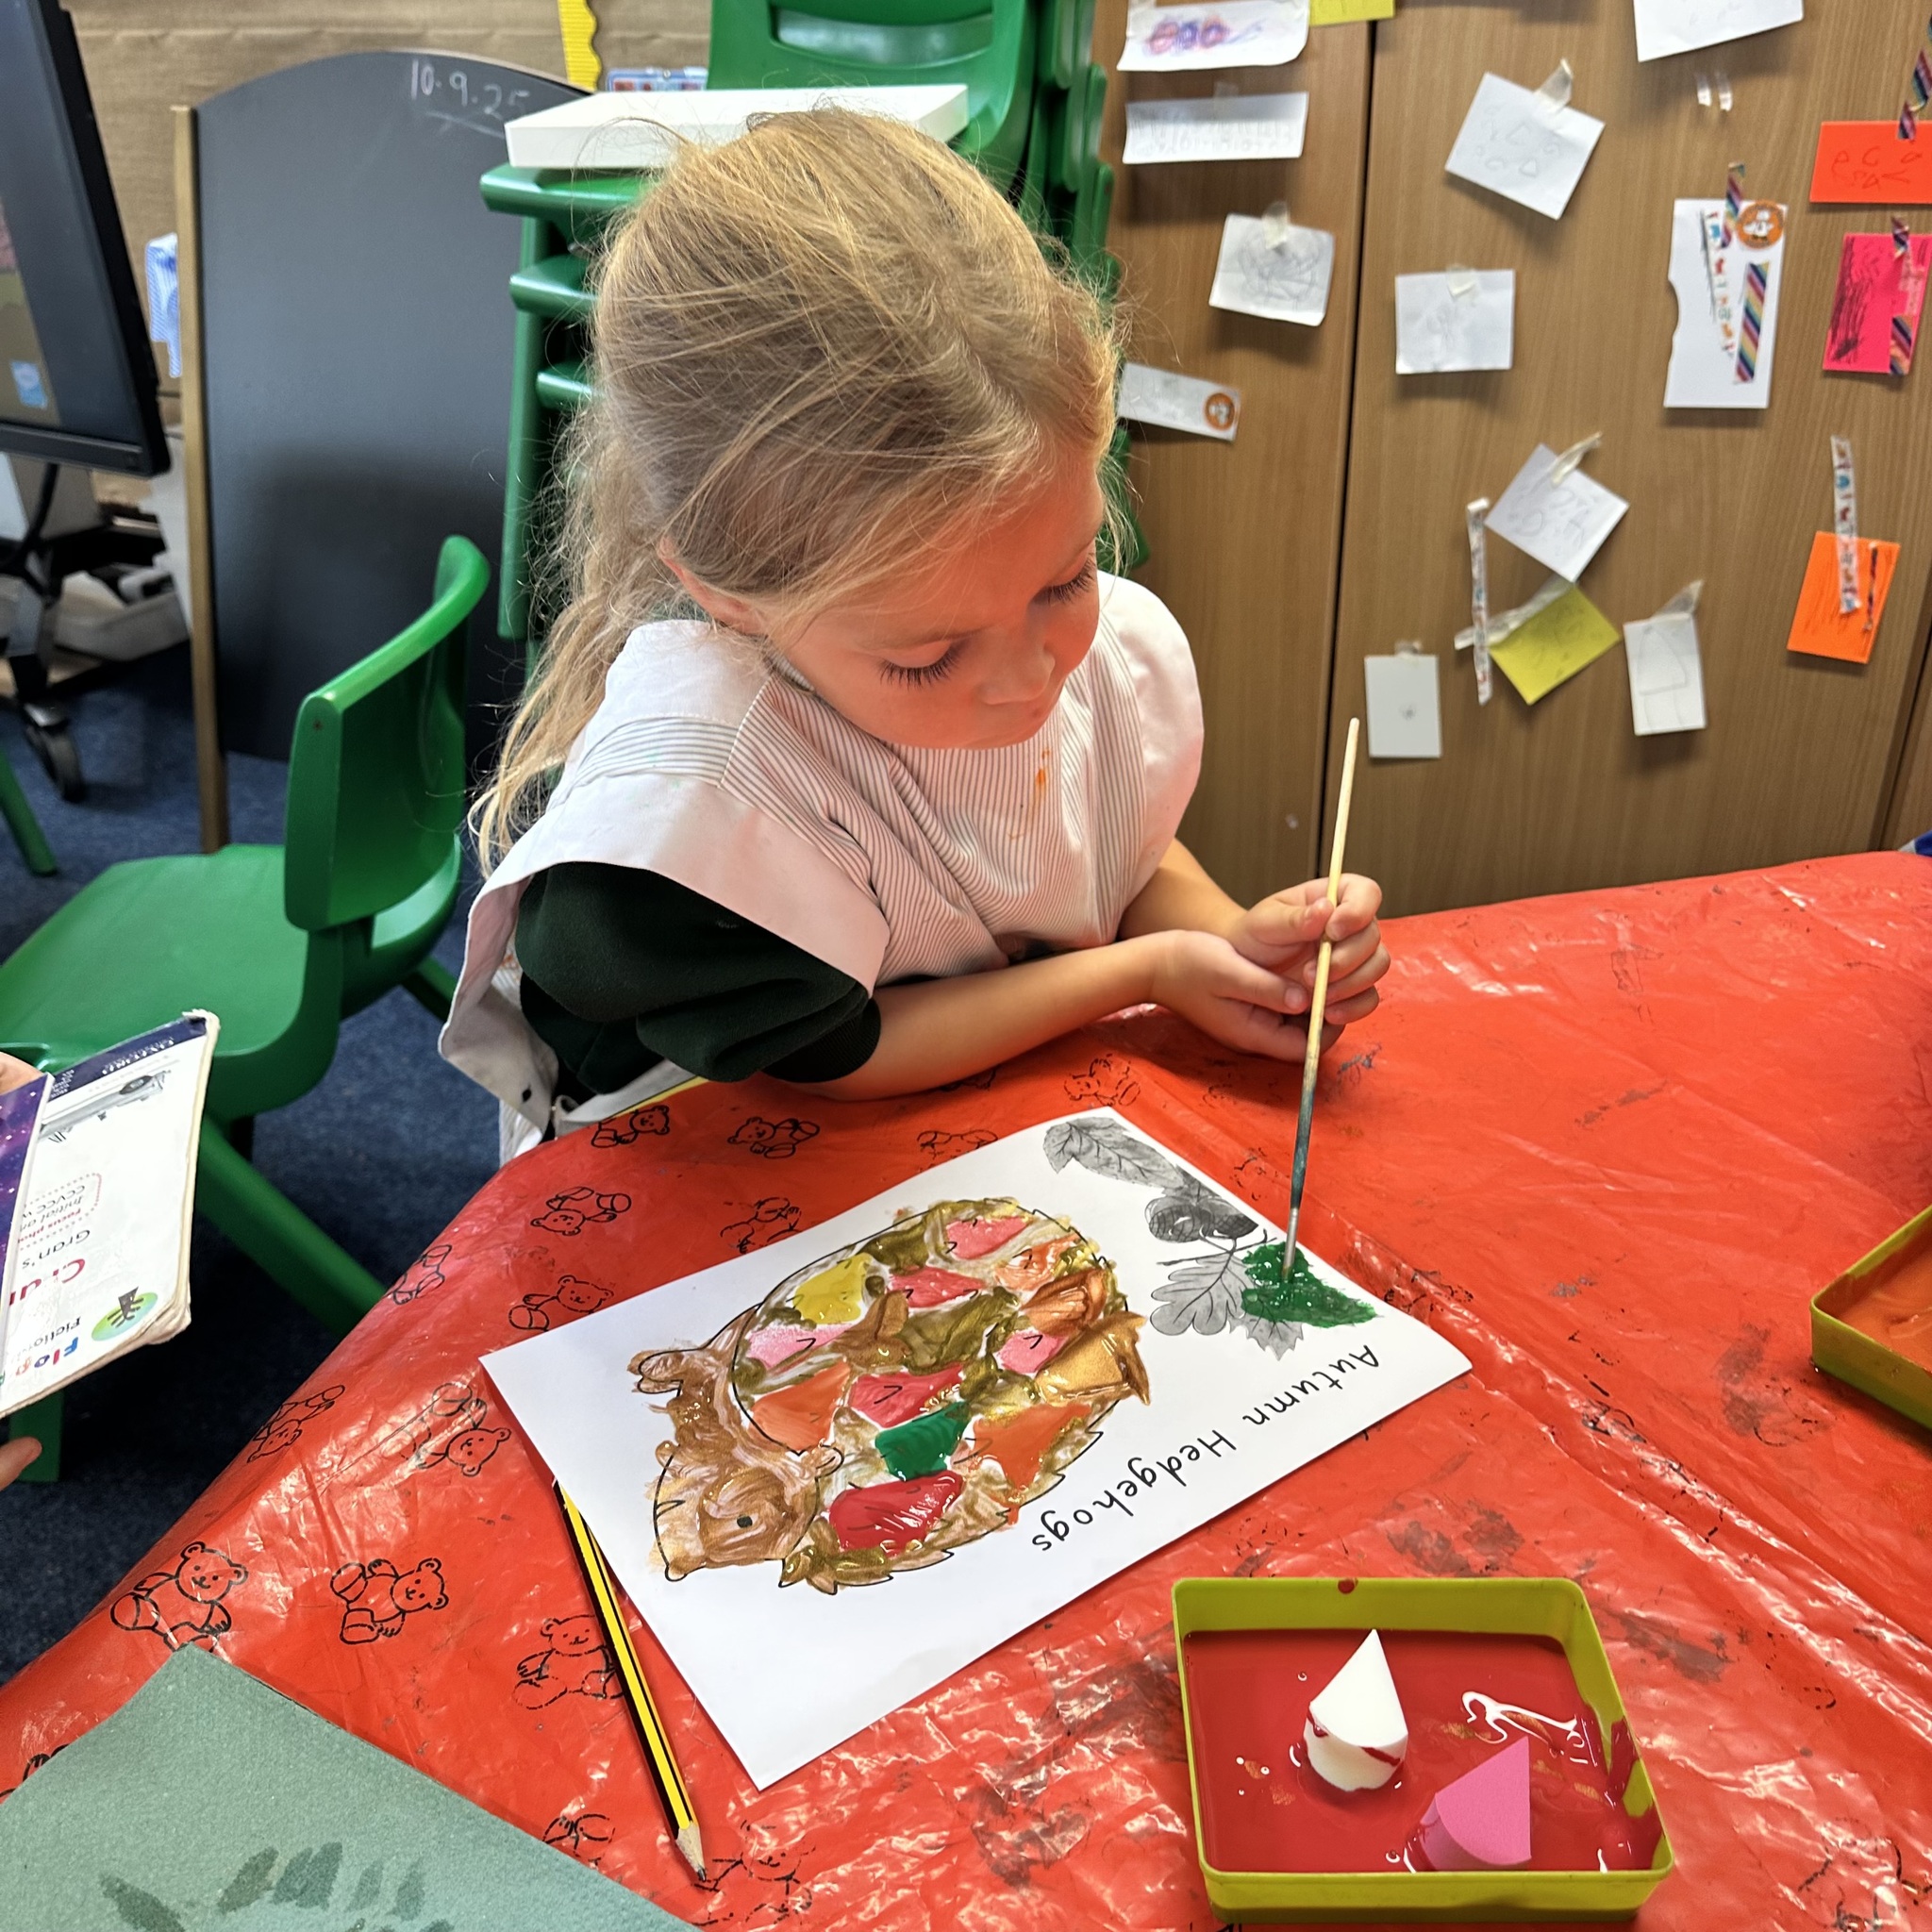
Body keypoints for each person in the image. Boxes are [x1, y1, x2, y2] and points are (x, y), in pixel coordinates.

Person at [442, 110, 1388, 1157]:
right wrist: (1146, 970)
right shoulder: (687, 825)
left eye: (1068, 579)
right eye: (926, 657)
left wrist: (1230, 941)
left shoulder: (991, 602)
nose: (1029, 680)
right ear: (727, 597)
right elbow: (840, 1054)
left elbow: (1112, 839)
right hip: (719, 1153)